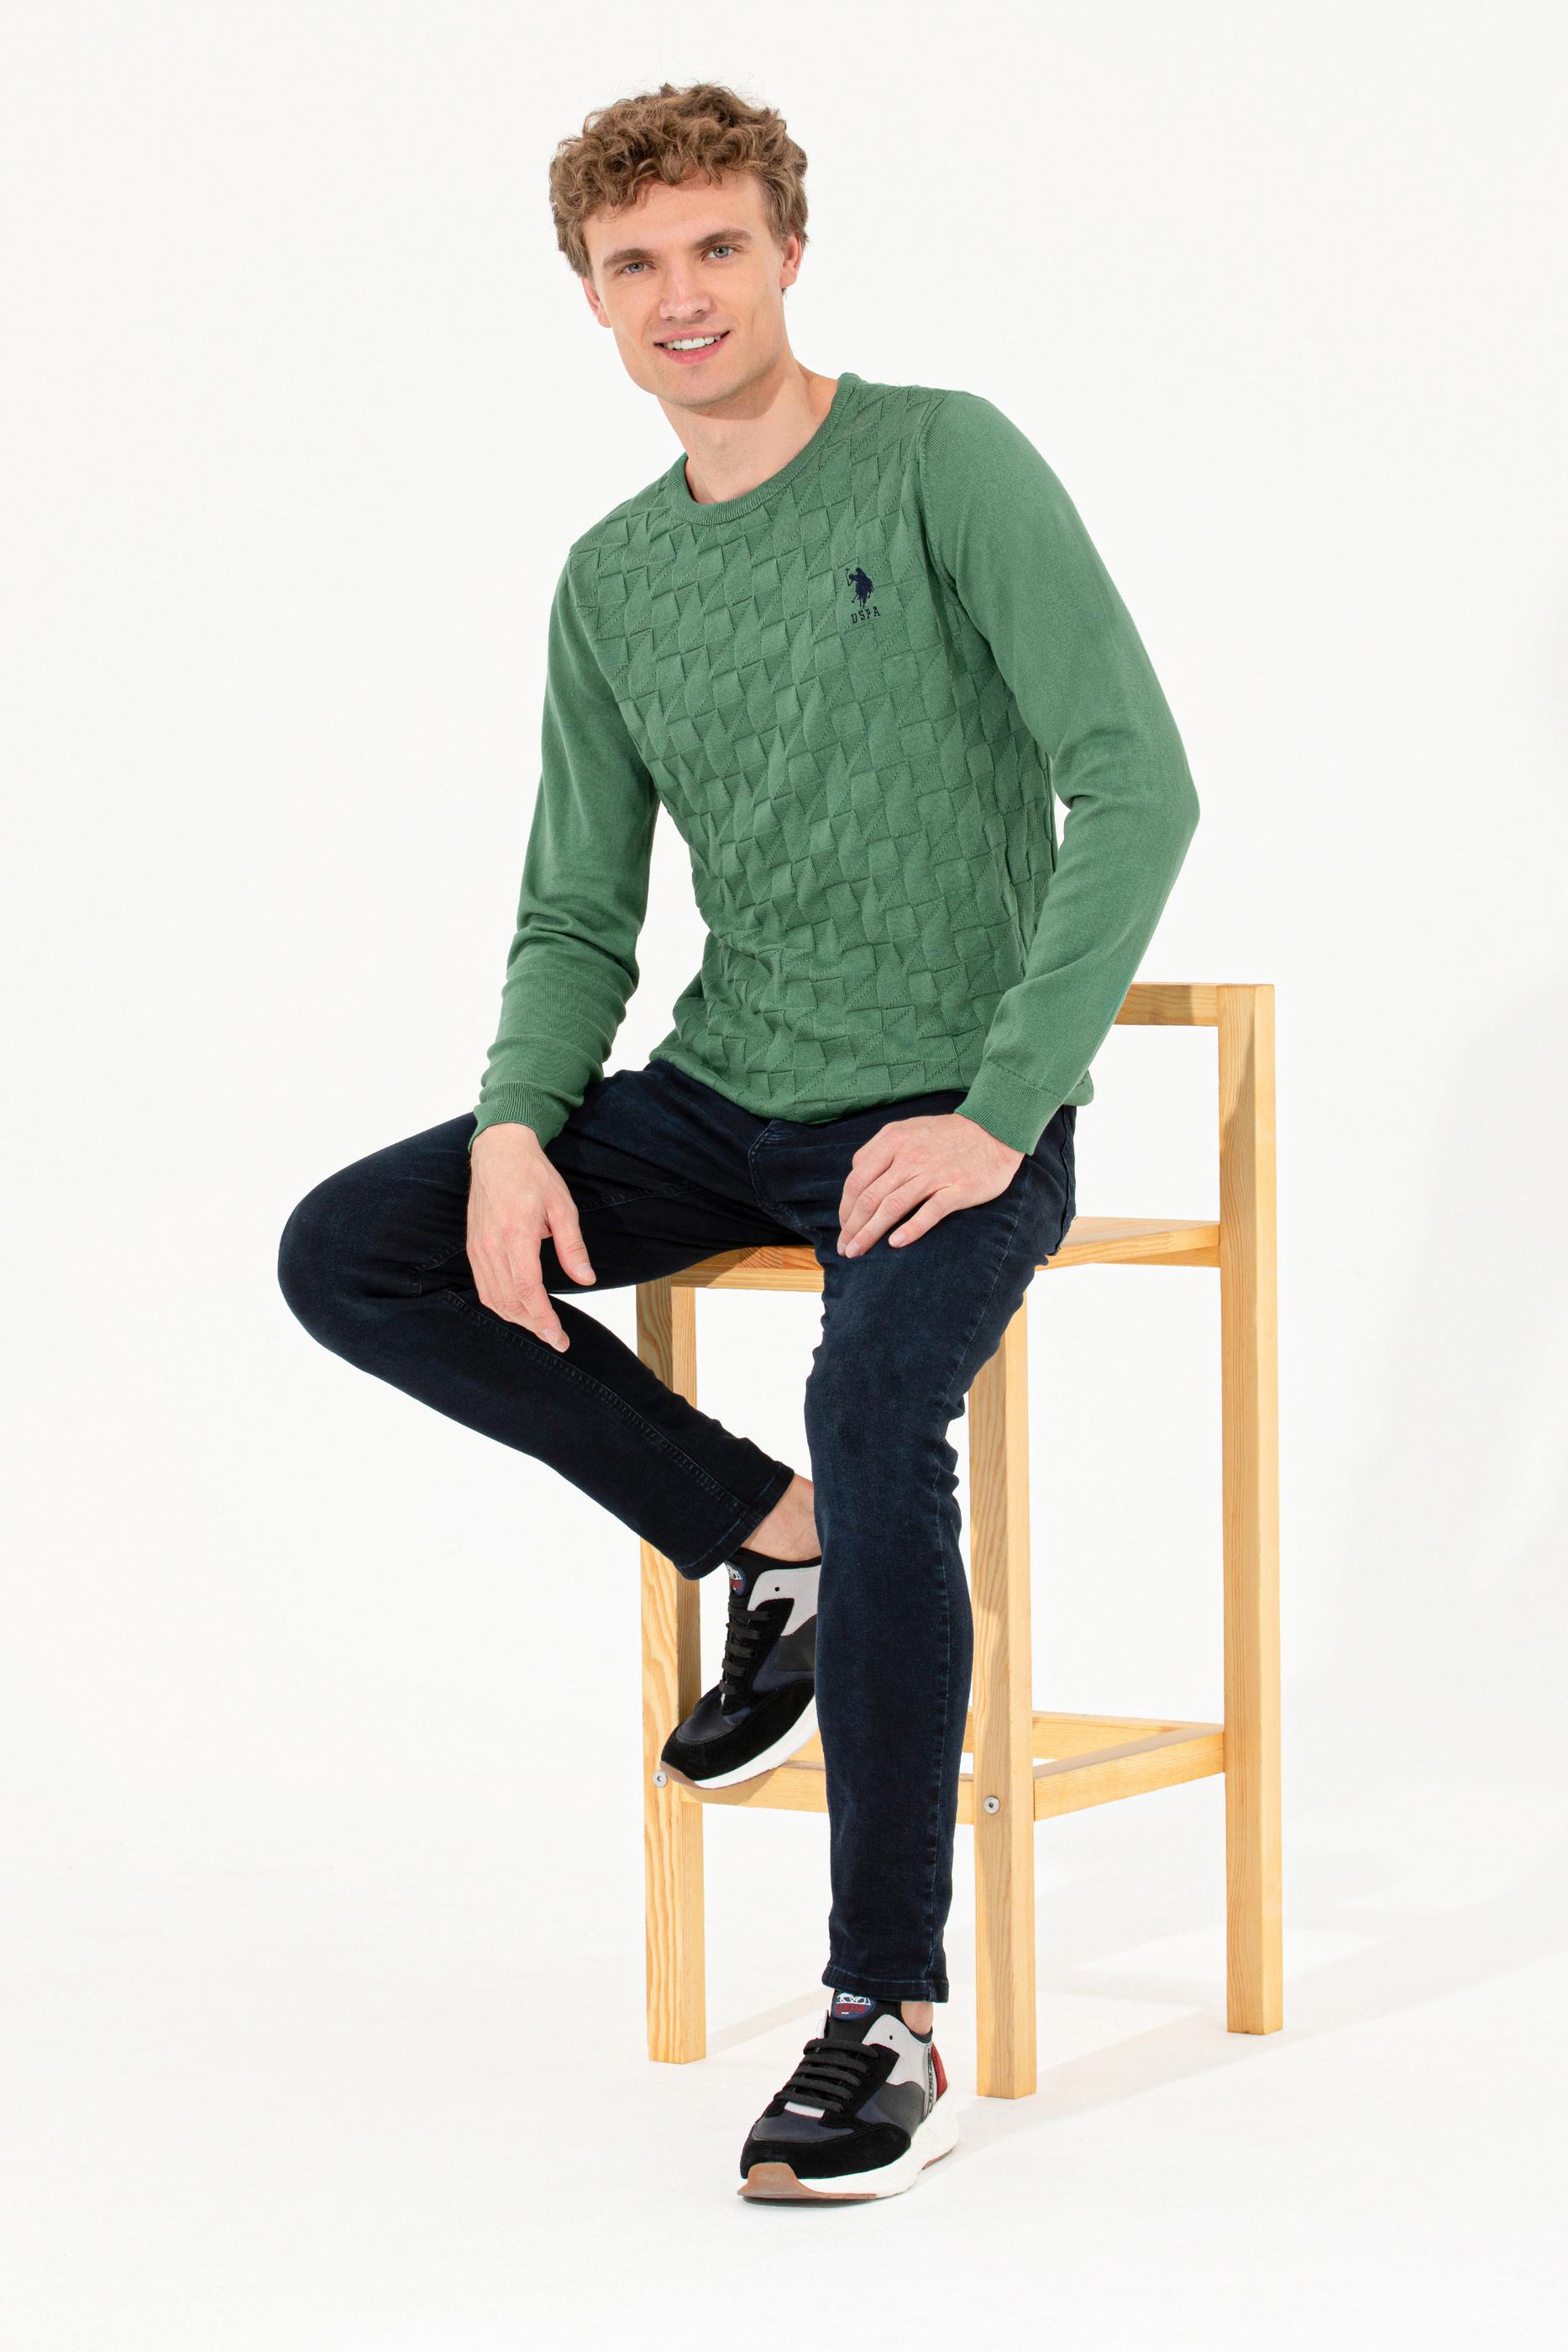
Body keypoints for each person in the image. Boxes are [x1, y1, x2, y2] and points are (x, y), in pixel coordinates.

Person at [277, 78, 1199, 2203]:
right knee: (357, 1246)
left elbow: (1135, 782)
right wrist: (519, 1125)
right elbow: (576, 908)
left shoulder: (943, 456)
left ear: (788, 251)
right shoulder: (610, 577)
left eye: (714, 246)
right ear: (592, 298)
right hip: (716, 1095)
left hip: (944, 1109)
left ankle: (886, 2009)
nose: (679, 293)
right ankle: (758, 1535)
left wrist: (999, 1108)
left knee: (876, 1406)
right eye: (634, 264)